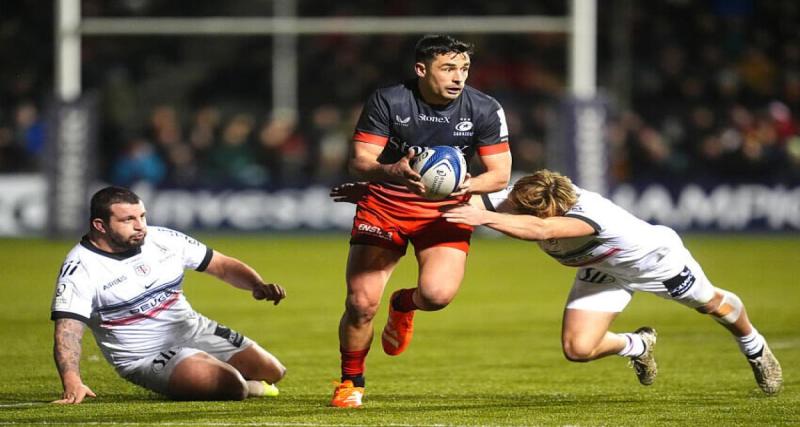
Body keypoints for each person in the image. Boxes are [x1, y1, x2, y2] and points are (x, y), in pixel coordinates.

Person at [440, 169, 783, 395]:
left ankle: (754, 346)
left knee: (712, 305)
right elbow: (468, 201)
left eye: (514, 209)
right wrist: (434, 186)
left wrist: (483, 217)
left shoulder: (587, 217)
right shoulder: (530, 197)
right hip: (602, 268)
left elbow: (541, 231)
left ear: (547, 212)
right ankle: (638, 346)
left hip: (654, 263)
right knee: (578, 349)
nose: (507, 207)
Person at [330, 34, 512, 408]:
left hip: (447, 210)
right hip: (386, 205)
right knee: (361, 303)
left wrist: (463, 184)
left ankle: (403, 305)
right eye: (448, 68)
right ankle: (351, 382)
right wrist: (391, 170)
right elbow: (360, 162)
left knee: (437, 295)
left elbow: (499, 175)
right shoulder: (389, 100)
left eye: (463, 69)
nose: (458, 77)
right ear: (421, 69)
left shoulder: (484, 108)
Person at [50, 186, 287, 404]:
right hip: (146, 357)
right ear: (100, 226)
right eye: (128, 219)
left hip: (193, 329)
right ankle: (220, 375)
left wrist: (257, 285)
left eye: (142, 216)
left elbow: (222, 265)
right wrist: (72, 380)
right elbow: (68, 330)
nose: (140, 225)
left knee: (273, 372)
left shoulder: (163, 239)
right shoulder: (80, 268)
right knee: (233, 387)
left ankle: (205, 363)